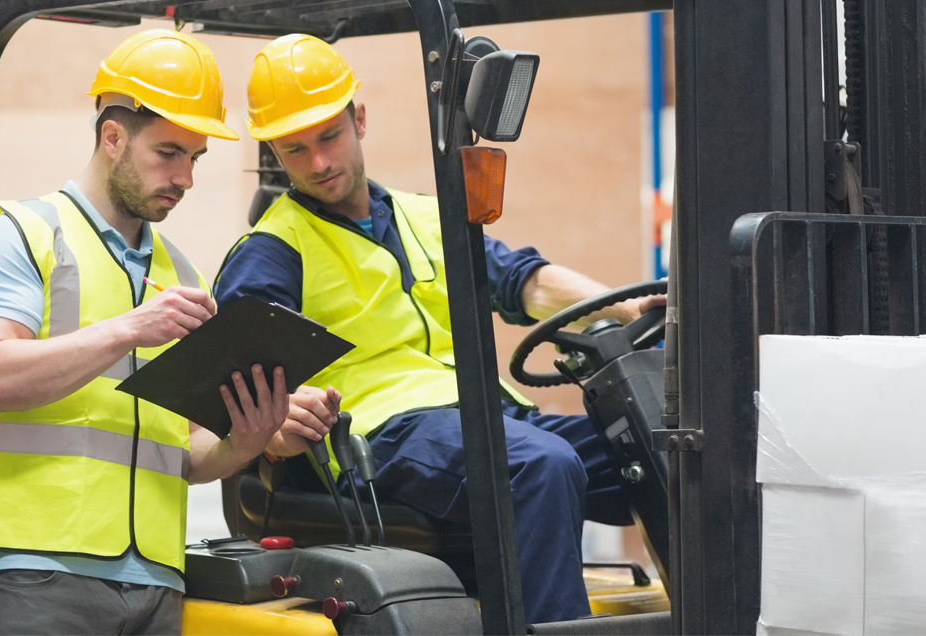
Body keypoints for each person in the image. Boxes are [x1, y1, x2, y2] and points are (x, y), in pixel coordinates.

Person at [215, 34, 660, 624]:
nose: (319, 162)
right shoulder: (273, 249)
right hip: (377, 435)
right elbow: (242, 382)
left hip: (484, 415)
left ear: (361, 120)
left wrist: (630, 308)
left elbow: (525, 282)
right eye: (296, 150)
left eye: (329, 136)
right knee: (541, 465)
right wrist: (277, 425)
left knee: (666, 447)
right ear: (274, 149)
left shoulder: (429, 214)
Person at [0, 29, 342, 636]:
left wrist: (247, 440)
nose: (185, 177)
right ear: (113, 136)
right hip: (40, 573)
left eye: (195, 159)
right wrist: (127, 329)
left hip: (157, 583)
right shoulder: (19, 234)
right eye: (168, 153)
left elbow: (181, 453)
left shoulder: (180, 274)